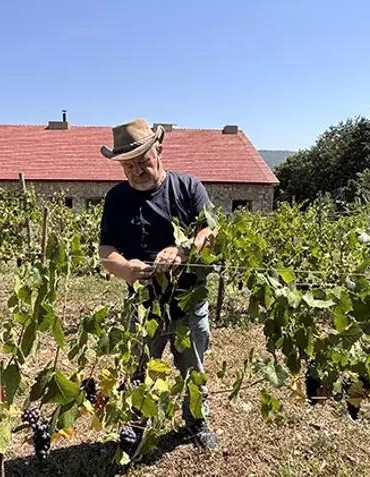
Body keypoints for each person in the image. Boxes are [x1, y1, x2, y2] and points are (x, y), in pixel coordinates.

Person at [98, 118, 218, 451]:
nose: (136, 171)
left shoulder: (188, 187)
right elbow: (106, 251)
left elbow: (211, 231)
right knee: (138, 371)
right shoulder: (116, 199)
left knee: (193, 368)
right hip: (143, 308)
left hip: (188, 303)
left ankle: (196, 422)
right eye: (128, 165)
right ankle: (136, 426)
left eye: (142, 161)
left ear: (159, 150)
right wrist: (126, 269)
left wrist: (183, 249)